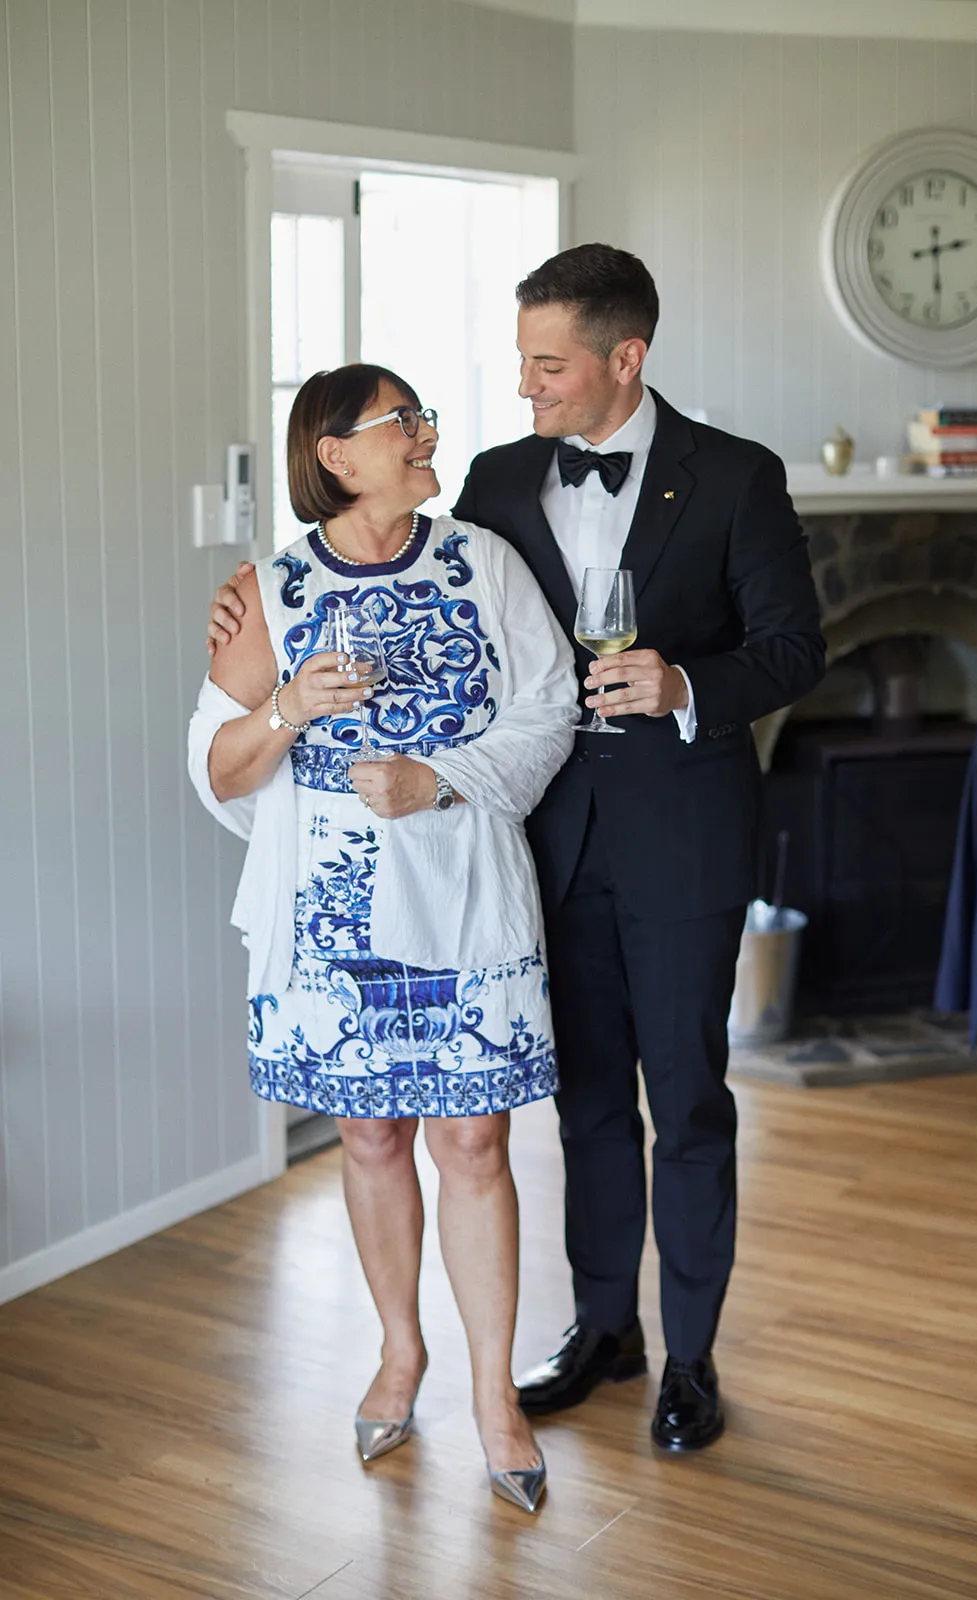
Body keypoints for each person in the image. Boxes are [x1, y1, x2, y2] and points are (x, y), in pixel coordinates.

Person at [209, 245, 825, 1454]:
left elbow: (796, 648)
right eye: (523, 363)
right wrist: (251, 633)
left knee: (687, 1099)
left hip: (683, 830)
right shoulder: (492, 479)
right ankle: (605, 1329)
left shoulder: (738, 478)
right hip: (534, 840)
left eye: (547, 366)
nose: (526, 388)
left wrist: (686, 678)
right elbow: (418, 591)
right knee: (586, 1098)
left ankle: (688, 1359)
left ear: (623, 358)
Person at [190, 363, 578, 1513]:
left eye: (422, 418)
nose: (424, 435)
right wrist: (288, 710)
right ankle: (398, 1351)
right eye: (398, 422)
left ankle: (493, 1395)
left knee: (472, 1145)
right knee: (366, 1137)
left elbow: (547, 704)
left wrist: (440, 777)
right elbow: (216, 766)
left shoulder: (483, 563)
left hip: (461, 891)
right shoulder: (269, 588)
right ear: (333, 455)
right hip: (331, 912)